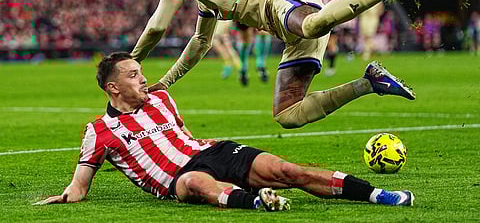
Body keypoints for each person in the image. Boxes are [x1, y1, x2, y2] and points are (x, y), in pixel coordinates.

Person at [132, 0, 440, 129]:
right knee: (287, 115)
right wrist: (166, 82)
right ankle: (369, 82)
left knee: (311, 25)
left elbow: (158, 25)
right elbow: (200, 43)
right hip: (282, 25)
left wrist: (132, 60)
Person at [34, 52, 415, 209]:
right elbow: (79, 187)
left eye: (141, 72)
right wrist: (66, 197)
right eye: (134, 76)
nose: (144, 79)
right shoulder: (100, 131)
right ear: (113, 88)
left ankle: (380, 195)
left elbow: (182, 136)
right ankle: (257, 202)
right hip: (177, 180)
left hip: (211, 152)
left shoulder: (162, 99)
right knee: (194, 183)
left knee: (288, 171)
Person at [312, 0, 350, 76]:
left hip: (334, 12)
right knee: (320, 40)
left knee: (330, 41)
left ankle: (331, 67)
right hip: (320, 11)